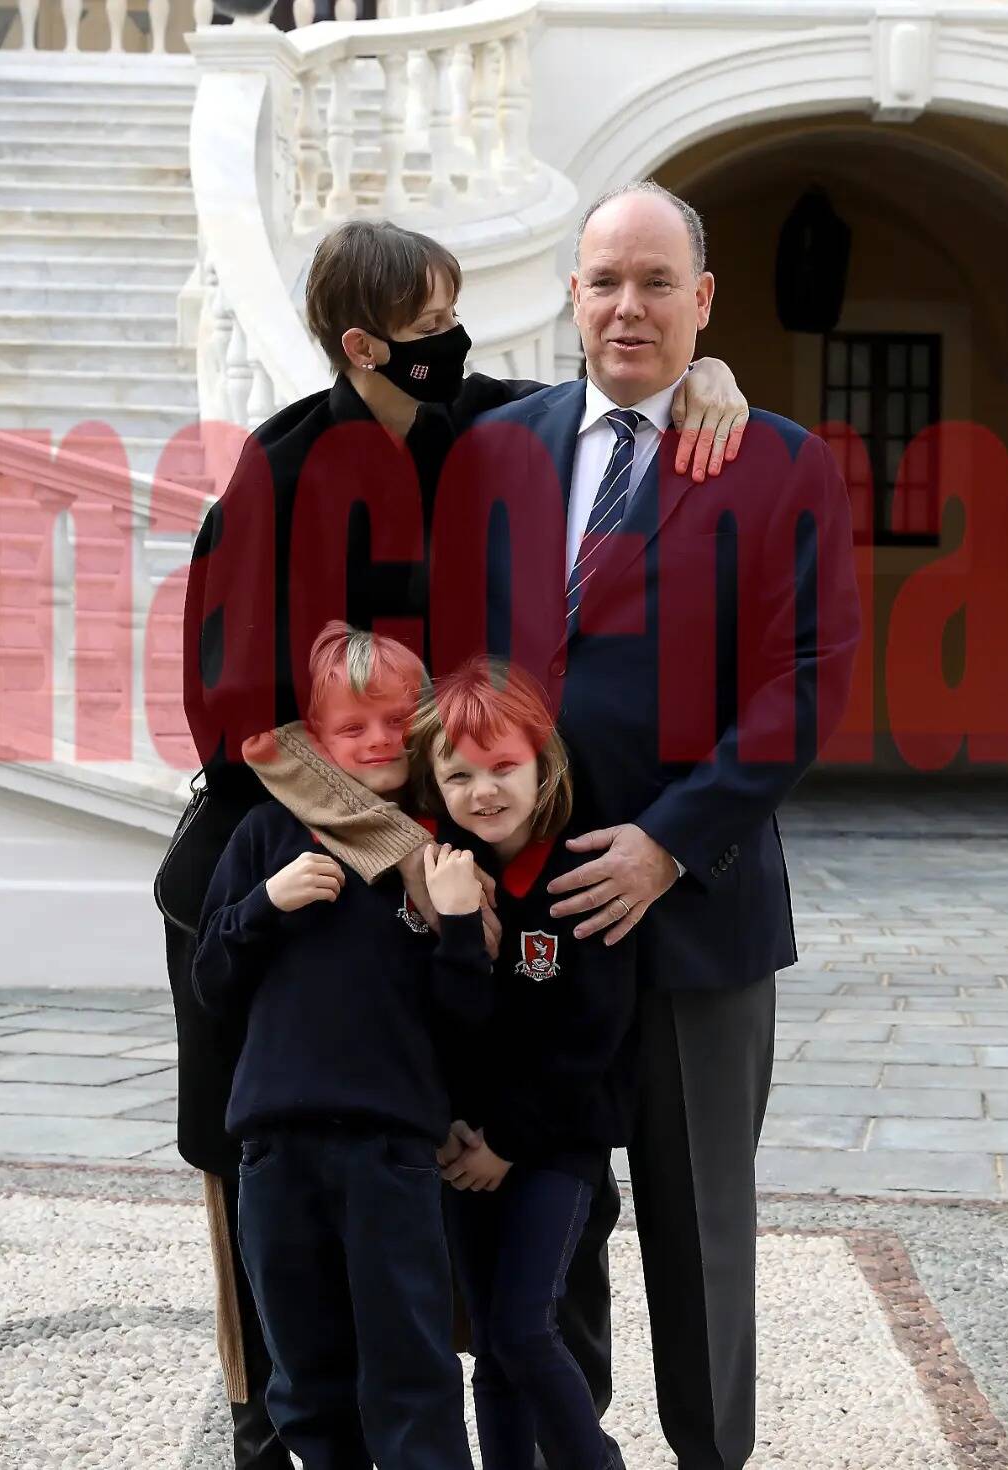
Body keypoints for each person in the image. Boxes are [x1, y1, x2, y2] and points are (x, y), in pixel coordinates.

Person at [158, 218, 753, 1466]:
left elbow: (626, 396)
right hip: (301, 874)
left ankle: (542, 1429)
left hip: (480, 860)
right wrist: (406, 868)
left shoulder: (495, 429)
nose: (456, 343)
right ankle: (278, 1434)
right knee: (274, 1172)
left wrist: (709, 377)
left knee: (527, 1143)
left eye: (455, 316)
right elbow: (249, 726)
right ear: (366, 343)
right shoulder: (272, 482)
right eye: (431, 326)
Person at [462, 181, 863, 1470]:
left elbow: (808, 677)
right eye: (601, 281)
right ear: (568, 297)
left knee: (699, 1235)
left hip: (696, 917)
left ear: (702, 302)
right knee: (539, 1222)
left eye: (653, 283)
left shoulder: (778, 461)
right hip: (529, 918)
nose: (624, 306)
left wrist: (668, 841)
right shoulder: (494, 452)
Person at [191, 621, 490, 1470]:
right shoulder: (264, 836)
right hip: (276, 1154)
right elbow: (210, 983)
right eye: (353, 727)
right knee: (306, 1380)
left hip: (391, 1154)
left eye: (396, 721)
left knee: (411, 1374)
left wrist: (462, 926)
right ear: (317, 739)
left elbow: (466, 1020)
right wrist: (264, 906)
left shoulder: (437, 855)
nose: (377, 742)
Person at [413, 657, 636, 1470]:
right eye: (460, 773)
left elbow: (592, 1038)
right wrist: (461, 928)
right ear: (434, 783)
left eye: (504, 767)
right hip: (465, 1150)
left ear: (543, 764)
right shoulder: (445, 880)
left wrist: (506, 1140)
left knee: (522, 1326)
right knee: (489, 1352)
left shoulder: (582, 877)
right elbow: (451, 1024)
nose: (484, 790)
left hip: (553, 1147)